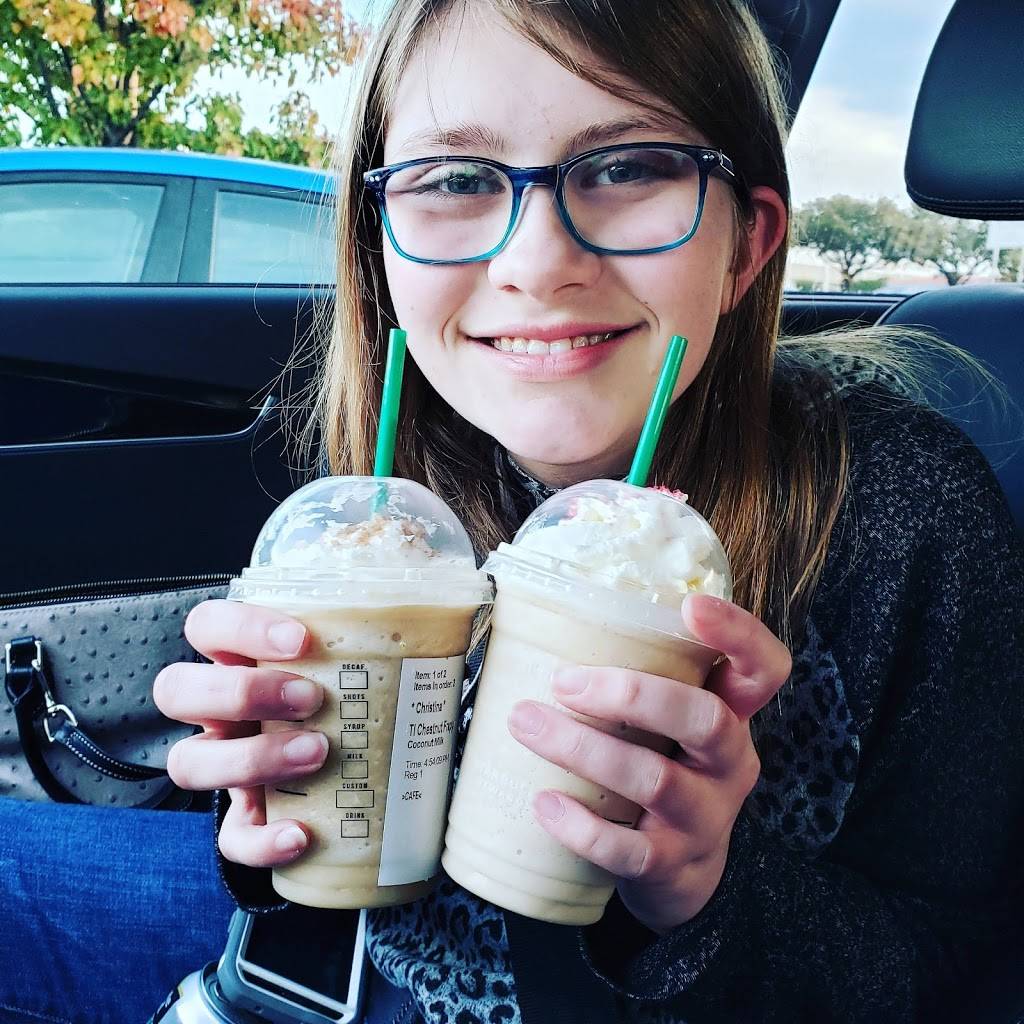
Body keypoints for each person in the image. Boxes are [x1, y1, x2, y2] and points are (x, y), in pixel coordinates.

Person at [2, 1, 1021, 1022]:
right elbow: (320, 854)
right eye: (455, 180)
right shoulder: (404, 485)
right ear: (380, 242)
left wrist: (703, 893)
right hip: (343, 960)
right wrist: (262, 817)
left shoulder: (903, 512)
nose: (536, 265)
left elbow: (948, 965)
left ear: (746, 246)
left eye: (626, 168)